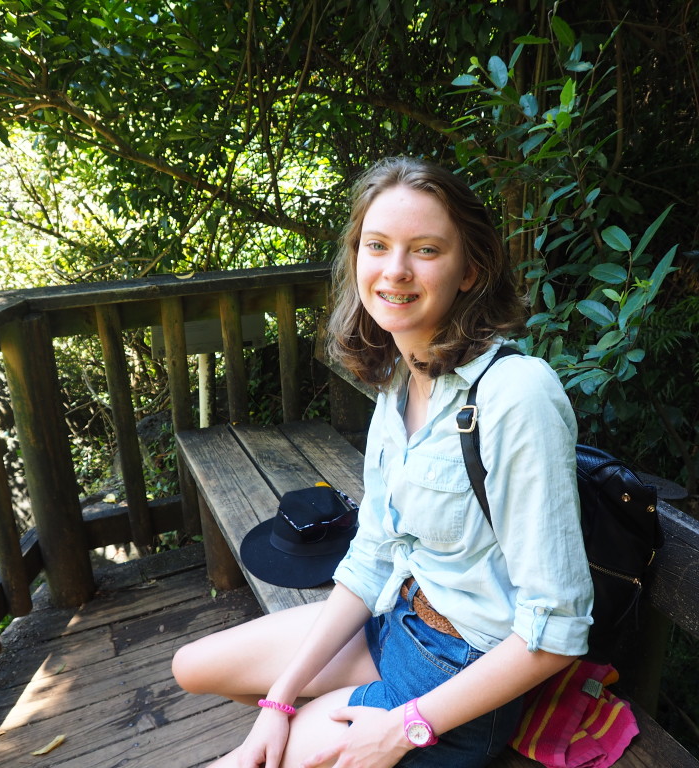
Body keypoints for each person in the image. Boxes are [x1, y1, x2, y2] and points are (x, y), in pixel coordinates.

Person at [172, 156, 593, 768]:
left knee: (245, 763)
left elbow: (557, 631)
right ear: (357, 257)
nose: (395, 270)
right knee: (196, 668)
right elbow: (373, 551)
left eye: (425, 250)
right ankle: (330, 709)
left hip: (460, 676)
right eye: (378, 245)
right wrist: (281, 702)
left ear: (470, 270)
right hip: (397, 620)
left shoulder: (516, 395)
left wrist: (405, 728)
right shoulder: (400, 382)